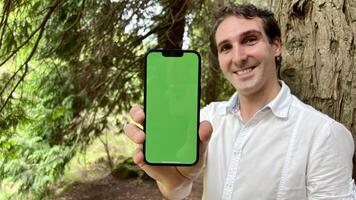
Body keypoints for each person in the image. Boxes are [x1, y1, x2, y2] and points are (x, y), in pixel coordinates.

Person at [124, 3, 355, 200]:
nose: (238, 57)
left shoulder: (324, 135)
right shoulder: (208, 120)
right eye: (226, 47)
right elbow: (177, 191)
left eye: (250, 40)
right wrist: (174, 181)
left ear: (276, 46)